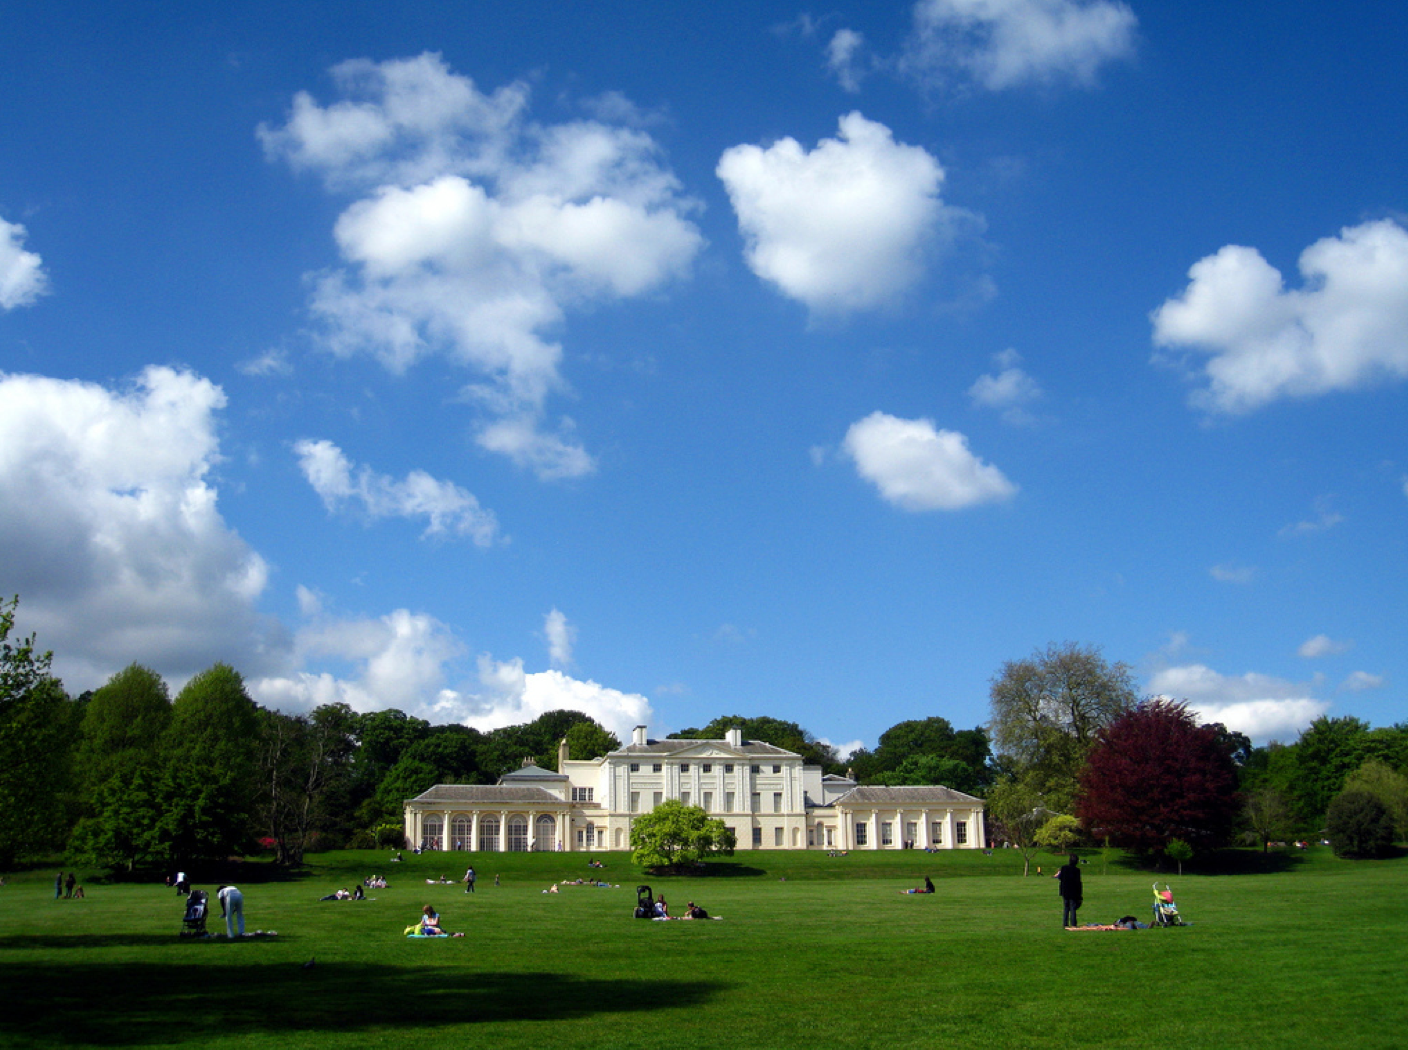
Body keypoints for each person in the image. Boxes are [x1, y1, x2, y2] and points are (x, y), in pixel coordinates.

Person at [1055, 854, 1083, 928]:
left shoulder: (1064, 868)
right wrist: (1080, 894)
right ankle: (1073, 924)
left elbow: (1060, 877)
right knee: (1073, 908)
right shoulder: (1077, 870)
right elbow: (1078, 882)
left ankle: (1065, 923)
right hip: (1073, 892)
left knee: (1066, 907)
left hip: (1065, 890)